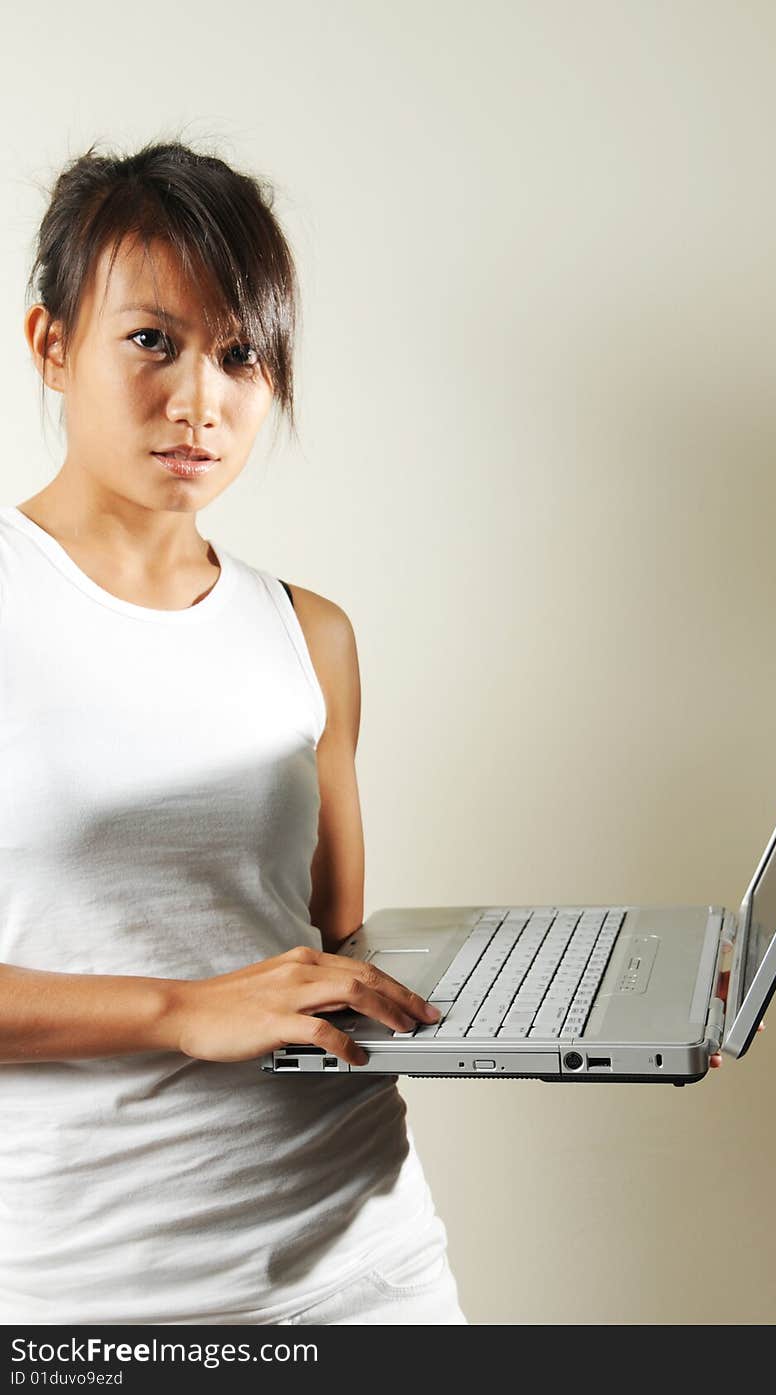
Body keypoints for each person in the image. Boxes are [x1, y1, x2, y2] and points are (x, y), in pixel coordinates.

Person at [0, 136, 467, 1326]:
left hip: (369, 1258)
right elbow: (218, 991)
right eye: (151, 340)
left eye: (240, 354)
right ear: (50, 343)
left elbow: (324, 944)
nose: (201, 402)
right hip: (99, 1291)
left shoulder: (310, 632)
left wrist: (576, 1014)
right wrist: (175, 1007)